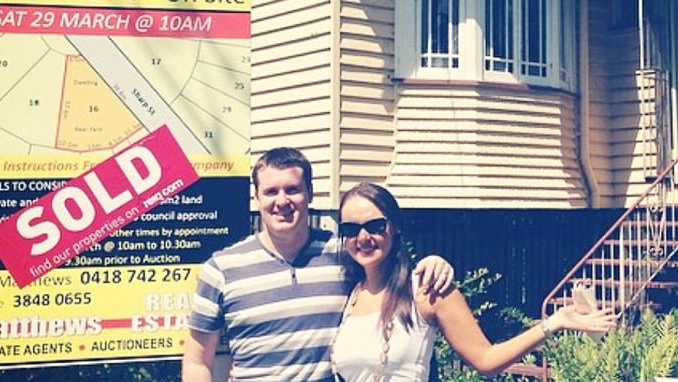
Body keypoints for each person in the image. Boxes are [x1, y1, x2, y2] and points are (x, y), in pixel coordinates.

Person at [183, 148, 455, 382]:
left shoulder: (344, 253)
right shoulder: (221, 269)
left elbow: (390, 269)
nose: (282, 201)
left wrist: (433, 263)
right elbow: (197, 362)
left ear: (310, 193)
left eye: (292, 190)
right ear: (256, 198)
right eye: (270, 191)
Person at [331, 182, 619, 380]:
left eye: (375, 226)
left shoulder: (426, 290)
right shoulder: (351, 295)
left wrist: (554, 322)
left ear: (394, 228)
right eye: (351, 229)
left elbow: (486, 359)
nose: (364, 238)